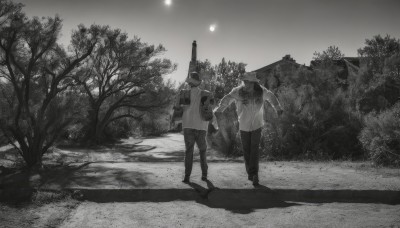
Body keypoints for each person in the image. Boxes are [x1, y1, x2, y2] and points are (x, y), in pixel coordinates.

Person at [214, 72, 283, 186]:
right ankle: (250, 173)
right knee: (246, 150)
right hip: (244, 125)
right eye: (244, 81)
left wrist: (278, 108)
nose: (246, 84)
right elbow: (228, 98)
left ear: (253, 82)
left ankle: (254, 173)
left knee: (254, 148)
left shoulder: (261, 91)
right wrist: (219, 109)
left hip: (257, 124)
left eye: (248, 82)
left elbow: (271, 97)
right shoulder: (238, 91)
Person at [174, 71, 214, 183]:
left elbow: (177, 107)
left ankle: (187, 176)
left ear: (189, 82)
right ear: (199, 82)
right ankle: (204, 175)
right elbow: (210, 108)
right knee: (202, 151)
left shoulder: (183, 93)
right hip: (201, 126)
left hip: (188, 126)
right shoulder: (206, 93)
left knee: (189, 151)